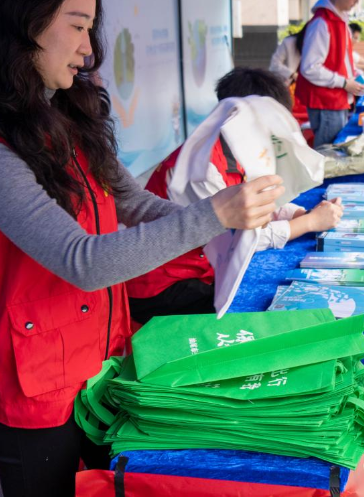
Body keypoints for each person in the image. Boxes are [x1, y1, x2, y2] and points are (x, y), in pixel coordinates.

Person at [0, 0, 283, 497]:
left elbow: (133, 203)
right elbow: (83, 259)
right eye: (78, 26)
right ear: (20, 19)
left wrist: (236, 225)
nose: (90, 49)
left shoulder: (66, 117)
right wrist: (215, 214)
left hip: (98, 362)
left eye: (93, 28)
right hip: (30, 392)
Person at [126, 67, 343, 325]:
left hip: (200, 270)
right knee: (255, 316)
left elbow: (255, 202)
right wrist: (309, 223)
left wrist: (296, 212)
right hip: (162, 285)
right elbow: (238, 238)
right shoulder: (201, 168)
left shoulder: (238, 150)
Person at [296, 0, 364, 147]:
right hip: (326, 102)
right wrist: (345, 83)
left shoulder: (339, 20)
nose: (356, 1)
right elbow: (310, 68)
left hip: (334, 99)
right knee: (328, 155)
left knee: (332, 153)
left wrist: (360, 77)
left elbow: (341, 60)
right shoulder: (322, 22)